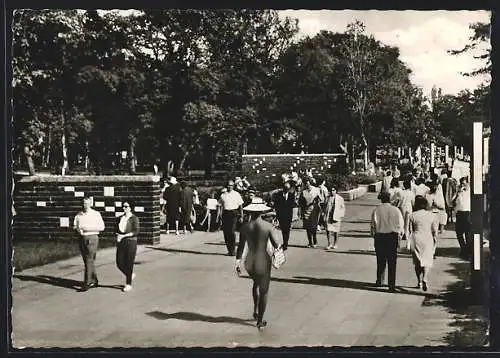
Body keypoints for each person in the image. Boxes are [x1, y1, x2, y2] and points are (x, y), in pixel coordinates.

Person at [235, 197, 280, 330]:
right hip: (263, 260)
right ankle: (260, 321)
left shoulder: (245, 227)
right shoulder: (268, 226)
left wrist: (237, 263)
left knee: (256, 283)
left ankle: (255, 310)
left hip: (250, 261)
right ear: (262, 211)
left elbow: (241, 247)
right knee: (264, 290)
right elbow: (276, 244)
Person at [370, 191, 404, 292]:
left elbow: (373, 225)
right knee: (392, 261)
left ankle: (380, 280)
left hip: (380, 236)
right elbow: (400, 225)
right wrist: (400, 237)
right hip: (392, 237)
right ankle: (391, 285)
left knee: (380, 260)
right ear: (389, 199)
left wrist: (374, 235)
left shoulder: (376, 210)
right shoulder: (396, 210)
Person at [73, 196, 105, 292]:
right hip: (82, 238)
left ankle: (86, 283)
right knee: (88, 260)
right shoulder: (79, 215)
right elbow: (75, 226)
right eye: (83, 203)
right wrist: (79, 230)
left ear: (91, 203)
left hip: (92, 238)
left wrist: (86, 228)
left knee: (89, 259)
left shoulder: (96, 214)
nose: (85, 205)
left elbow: (101, 227)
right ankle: (94, 280)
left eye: (87, 203)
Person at [409, 196, 439, 291]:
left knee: (417, 262)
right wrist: (435, 240)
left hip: (416, 237)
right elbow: (435, 231)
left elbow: (410, 230)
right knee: (427, 260)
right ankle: (425, 278)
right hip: (427, 238)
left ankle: (419, 282)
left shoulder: (412, 215)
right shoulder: (432, 215)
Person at [115, 201, 140, 292]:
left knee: (129, 263)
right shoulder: (119, 218)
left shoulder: (134, 218)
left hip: (131, 242)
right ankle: (130, 274)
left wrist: (124, 236)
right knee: (119, 262)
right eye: (123, 206)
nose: (124, 208)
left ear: (130, 208)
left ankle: (128, 284)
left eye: (126, 206)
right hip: (121, 242)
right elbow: (116, 229)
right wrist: (117, 235)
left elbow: (136, 231)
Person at [219, 180, 244, 256]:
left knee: (232, 232)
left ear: (233, 186)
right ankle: (230, 251)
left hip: (234, 213)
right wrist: (219, 215)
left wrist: (242, 216)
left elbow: (240, 206)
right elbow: (220, 206)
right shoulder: (223, 195)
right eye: (228, 185)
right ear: (226, 186)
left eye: (231, 185)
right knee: (226, 232)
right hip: (225, 214)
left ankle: (233, 250)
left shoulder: (237, 194)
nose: (230, 187)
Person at [272, 180, 296, 251]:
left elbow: (292, 206)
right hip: (281, 215)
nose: (286, 190)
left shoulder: (291, 196)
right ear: (283, 188)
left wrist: (293, 216)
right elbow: (276, 205)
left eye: (287, 189)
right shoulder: (278, 195)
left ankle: (285, 243)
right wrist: (276, 215)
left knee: (287, 230)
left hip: (288, 215)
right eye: (285, 188)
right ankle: (284, 241)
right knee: (283, 229)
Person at [298, 177, 322, 248]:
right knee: (308, 228)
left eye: (308, 183)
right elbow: (300, 203)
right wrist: (300, 212)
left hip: (314, 211)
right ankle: (310, 242)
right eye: (305, 183)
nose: (307, 185)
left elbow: (321, 199)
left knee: (313, 227)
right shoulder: (303, 192)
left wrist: (317, 201)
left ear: (310, 183)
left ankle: (315, 242)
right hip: (306, 211)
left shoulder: (316, 190)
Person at [453, 177, 471, 259]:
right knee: (459, 233)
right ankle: (464, 249)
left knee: (468, 234)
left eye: (464, 183)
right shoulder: (459, 192)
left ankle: (466, 251)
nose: (463, 185)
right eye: (462, 184)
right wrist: (457, 192)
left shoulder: (471, 192)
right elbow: (452, 201)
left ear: (468, 183)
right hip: (459, 213)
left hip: (468, 213)